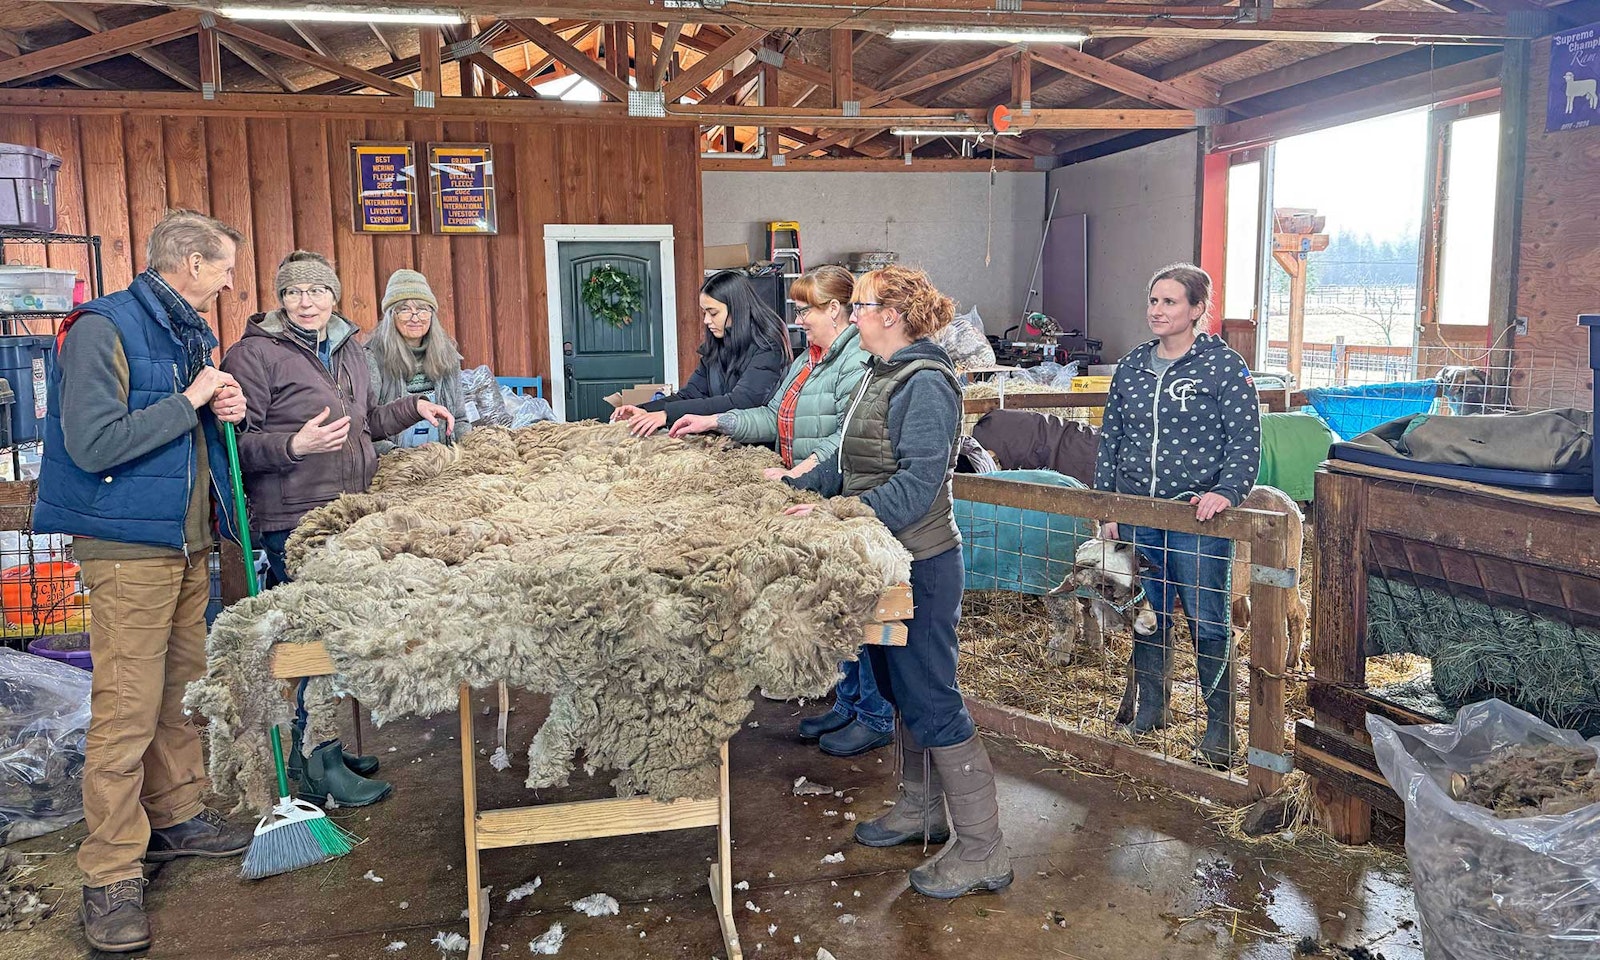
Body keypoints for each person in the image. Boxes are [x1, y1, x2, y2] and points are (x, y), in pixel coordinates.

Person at [34, 209, 255, 954]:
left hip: (188, 543)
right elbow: (93, 441)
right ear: (189, 261)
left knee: (178, 693)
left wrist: (225, 409)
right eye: (223, 267)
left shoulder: (184, 331)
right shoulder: (104, 327)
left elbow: (180, 431)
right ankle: (110, 872)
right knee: (126, 708)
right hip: (129, 547)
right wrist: (190, 401)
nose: (229, 281)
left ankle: (174, 816)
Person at [782, 266, 1012, 900]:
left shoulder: (927, 384)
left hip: (924, 563)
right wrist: (794, 490)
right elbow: (847, 460)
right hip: (886, 561)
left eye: (860, 306)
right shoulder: (880, 375)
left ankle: (984, 848)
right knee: (896, 682)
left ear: (893, 315)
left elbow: (917, 485)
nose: (851, 316)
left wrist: (838, 514)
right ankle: (921, 808)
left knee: (932, 695)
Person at [221, 250, 455, 807]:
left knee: (333, 636)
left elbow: (364, 424)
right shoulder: (255, 355)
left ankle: (319, 747)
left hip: (344, 510)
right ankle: (316, 762)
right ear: (280, 300)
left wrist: (412, 408)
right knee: (311, 640)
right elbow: (234, 445)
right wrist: (293, 445)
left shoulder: (347, 348)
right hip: (292, 517)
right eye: (294, 293)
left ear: (334, 296)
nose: (307, 302)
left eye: (317, 291)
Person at [669, 265, 892, 757]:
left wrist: (804, 471)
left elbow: (847, 435)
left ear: (834, 310)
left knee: (859, 598)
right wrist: (716, 420)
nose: (798, 319)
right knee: (832, 597)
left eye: (805, 309)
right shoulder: (809, 360)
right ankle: (848, 702)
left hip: (837, 493)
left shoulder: (856, 361)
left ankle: (875, 713)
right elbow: (772, 415)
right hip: (807, 491)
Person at [1092, 263, 1261, 769]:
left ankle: (1219, 729)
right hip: (1138, 515)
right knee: (1147, 615)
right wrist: (1109, 506)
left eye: (1169, 302)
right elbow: (1111, 439)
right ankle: (1153, 708)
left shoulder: (1223, 367)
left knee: (1208, 621)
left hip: (1196, 520)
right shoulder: (1132, 368)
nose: (1157, 311)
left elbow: (1245, 440)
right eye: (1153, 300)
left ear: (1197, 310)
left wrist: (1227, 491)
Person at [610, 270, 789, 437]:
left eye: (713, 313)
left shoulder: (768, 345)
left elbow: (741, 401)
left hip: (758, 444)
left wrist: (666, 414)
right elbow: (690, 394)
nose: (706, 320)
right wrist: (644, 410)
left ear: (738, 309)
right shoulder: (718, 344)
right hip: (721, 441)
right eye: (704, 312)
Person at [365, 269, 469, 452]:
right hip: (393, 465)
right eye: (404, 309)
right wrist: (396, 455)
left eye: (422, 309)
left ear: (432, 314)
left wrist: (469, 446)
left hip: (440, 459)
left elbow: (459, 418)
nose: (415, 318)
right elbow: (364, 426)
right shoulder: (372, 358)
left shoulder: (448, 356)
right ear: (391, 316)